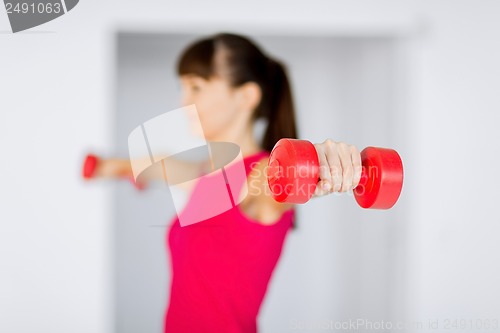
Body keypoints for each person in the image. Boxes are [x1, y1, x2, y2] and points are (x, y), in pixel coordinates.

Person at [92, 33, 362, 333]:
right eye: (182, 88)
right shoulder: (209, 175)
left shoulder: (261, 174)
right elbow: (161, 164)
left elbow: (286, 179)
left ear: (245, 96)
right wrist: (108, 167)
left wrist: (325, 161)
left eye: (196, 87)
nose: (182, 101)